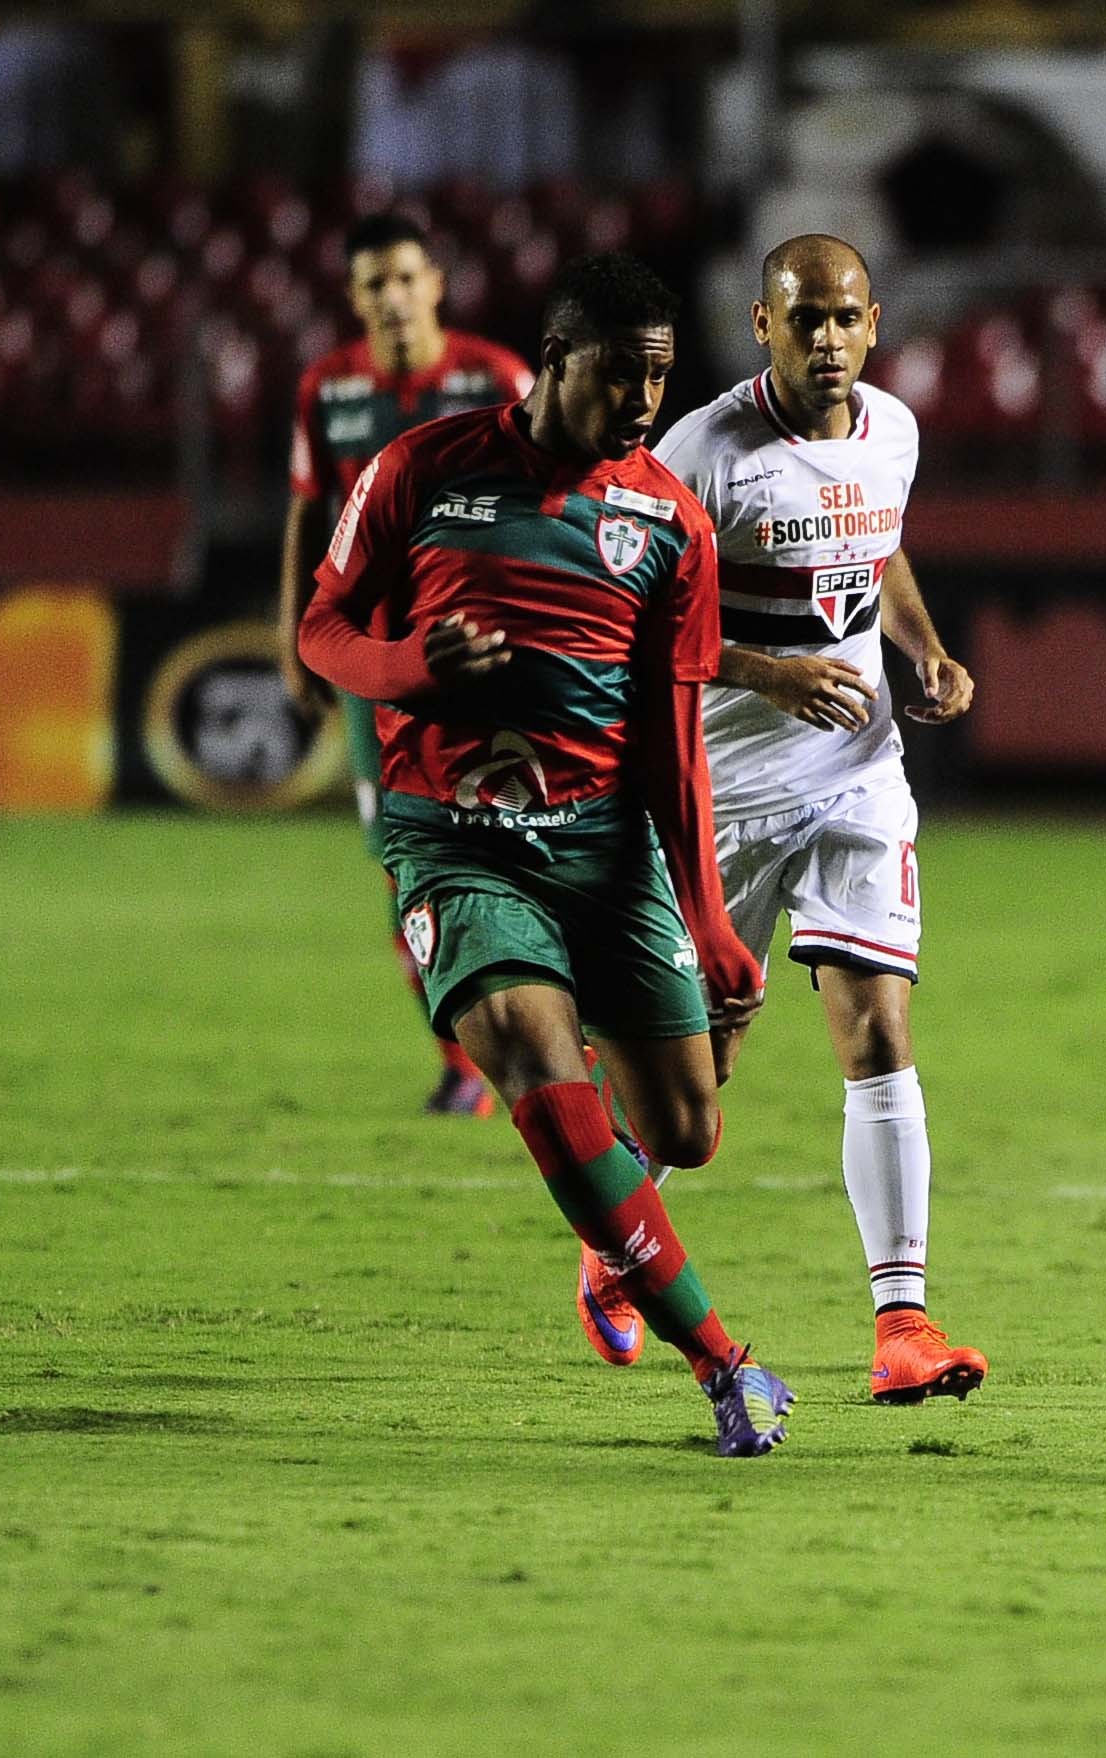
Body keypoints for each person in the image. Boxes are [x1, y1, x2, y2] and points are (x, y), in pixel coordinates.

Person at [296, 252, 791, 1458]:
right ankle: (722, 1360)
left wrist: (713, 920)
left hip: (606, 846)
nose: (641, 405)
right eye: (621, 377)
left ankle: (608, 1230)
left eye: (661, 381)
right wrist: (410, 668)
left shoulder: (667, 519)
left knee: (683, 1133)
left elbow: (675, 739)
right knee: (530, 1053)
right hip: (455, 843)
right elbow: (325, 627)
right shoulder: (421, 469)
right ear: (556, 358)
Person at [645, 233, 989, 1404]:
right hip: (723, 792)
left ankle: (903, 1327)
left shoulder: (892, 430)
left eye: (846, 319)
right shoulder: (701, 452)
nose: (828, 340)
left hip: (856, 772)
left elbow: (878, 552)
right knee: (694, 1086)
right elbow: (636, 621)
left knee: (879, 1034)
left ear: (874, 322)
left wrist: (927, 651)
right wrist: (765, 670)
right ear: (762, 326)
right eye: (805, 321)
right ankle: (616, 1242)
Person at [279, 210, 535, 1119]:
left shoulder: (495, 379)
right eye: (372, 284)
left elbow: (553, 508)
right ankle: (463, 1061)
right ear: (353, 299)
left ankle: (552, 1039)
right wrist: (292, 633)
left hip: (481, 660)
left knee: (518, 846)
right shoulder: (328, 388)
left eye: (404, 278)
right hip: (372, 662)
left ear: (436, 283)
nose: (390, 298)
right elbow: (309, 514)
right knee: (400, 864)